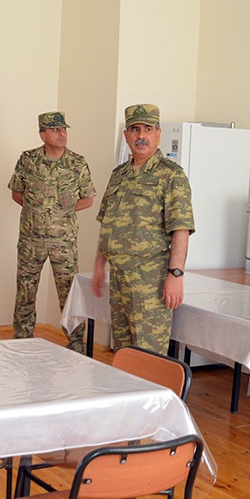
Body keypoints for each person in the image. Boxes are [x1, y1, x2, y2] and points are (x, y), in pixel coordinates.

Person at [93, 103, 194, 355]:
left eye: (147, 129)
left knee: (148, 358)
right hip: (119, 277)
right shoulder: (119, 175)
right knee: (123, 354)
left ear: (158, 133)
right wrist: (99, 266)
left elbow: (181, 229)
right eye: (135, 129)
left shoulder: (171, 176)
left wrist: (176, 275)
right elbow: (107, 224)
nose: (141, 136)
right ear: (126, 135)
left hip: (149, 281)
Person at [9, 112, 95, 353]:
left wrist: (60, 213)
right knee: (25, 291)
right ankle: (22, 339)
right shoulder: (28, 160)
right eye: (55, 130)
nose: (61, 134)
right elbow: (17, 193)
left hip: (63, 242)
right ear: (42, 134)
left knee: (69, 293)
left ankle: (76, 343)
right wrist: (37, 211)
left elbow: (88, 199)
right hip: (31, 240)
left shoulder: (77, 163)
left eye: (63, 129)